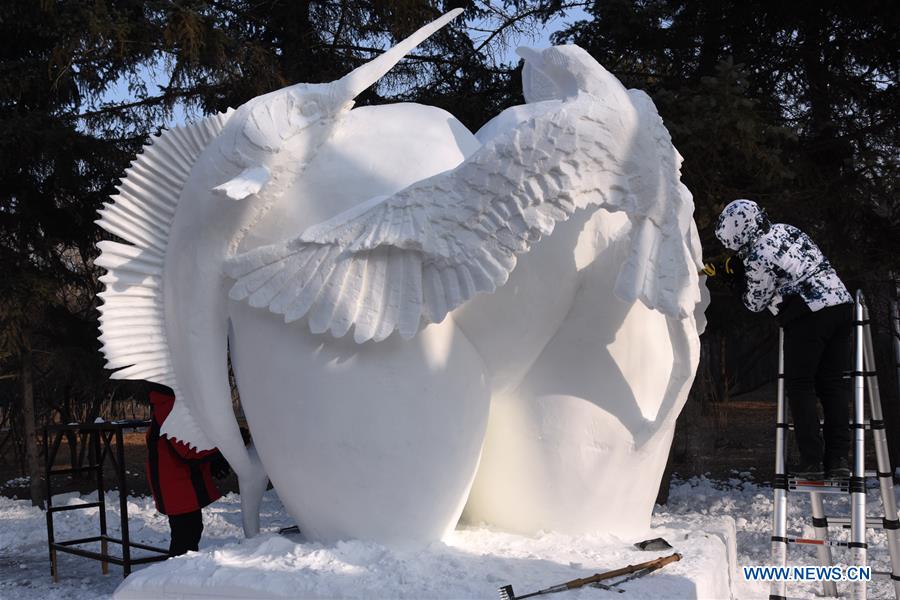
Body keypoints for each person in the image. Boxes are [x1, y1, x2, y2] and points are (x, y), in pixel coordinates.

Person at [713, 199, 854, 479]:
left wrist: (734, 281)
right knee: (833, 384)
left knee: (800, 385)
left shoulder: (757, 255)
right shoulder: (787, 229)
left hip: (808, 314)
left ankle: (812, 460)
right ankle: (838, 459)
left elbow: (755, 302)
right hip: (840, 304)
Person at [145, 382, 230, 555]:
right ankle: (176, 571)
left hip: (177, 481)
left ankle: (179, 569)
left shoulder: (171, 405)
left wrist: (214, 459)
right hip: (174, 482)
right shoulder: (170, 407)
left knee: (190, 531)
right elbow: (188, 449)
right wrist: (224, 448)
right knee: (185, 535)